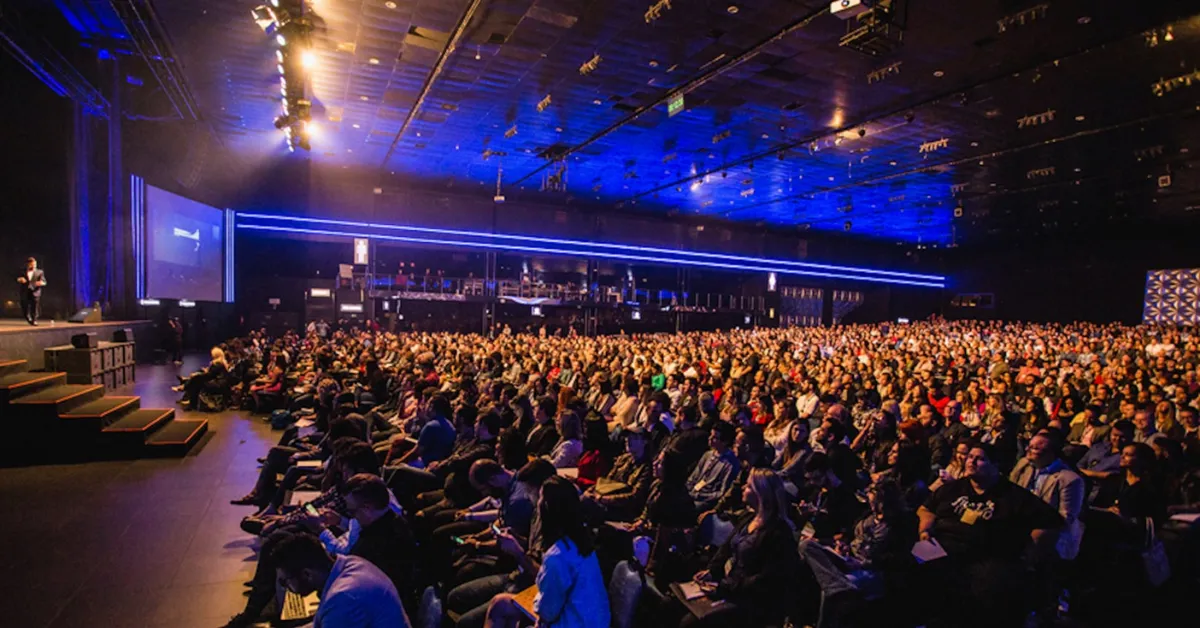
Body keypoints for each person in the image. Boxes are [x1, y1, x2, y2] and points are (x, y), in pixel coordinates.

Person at [917, 442, 1063, 628]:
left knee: (986, 590)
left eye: (980, 459)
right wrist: (924, 530)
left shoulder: (1012, 496)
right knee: (908, 561)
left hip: (986, 556)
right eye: (970, 457)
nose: (971, 462)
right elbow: (925, 509)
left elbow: (1050, 522)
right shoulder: (953, 489)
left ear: (995, 465)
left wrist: (1030, 552)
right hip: (942, 545)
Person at [485, 476, 610, 628]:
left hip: (572, 622)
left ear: (547, 509)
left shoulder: (557, 555)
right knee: (500, 603)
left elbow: (547, 612)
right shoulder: (582, 540)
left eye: (539, 498)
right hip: (592, 619)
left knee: (499, 608)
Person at [684, 469, 800, 627]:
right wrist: (711, 572)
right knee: (674, 604)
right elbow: (725, 549)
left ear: (761, 494)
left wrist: (725, 588)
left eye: (749, 486)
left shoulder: (779, 533)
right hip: (730, 587)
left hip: (751, 601)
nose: (744, 487)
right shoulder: (748, 517)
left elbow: (765, 580)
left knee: (691, 623)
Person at [270, 531, 411, 628]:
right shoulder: (351, 562)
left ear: (307, 574)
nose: (286, 587)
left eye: (285, 581)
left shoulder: (342, 598)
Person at [1009, 432, 1085, 560]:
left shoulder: (1069, 479)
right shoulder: (1024, 465)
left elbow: (1065, 518)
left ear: (1050, 453)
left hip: (1049, 531)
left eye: (1035, 448)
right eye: (1029, 445)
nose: (1028, 449)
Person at [686, 422, 741, 511]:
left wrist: (700, 495)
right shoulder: (707, 455)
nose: (710, 438)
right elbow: (693, 477)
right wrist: (688, 490)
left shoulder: (730, 463)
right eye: (711, 435)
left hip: (707, 501)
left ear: (725, 442)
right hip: (694, 494)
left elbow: (721, 493)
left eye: (715, 438)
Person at [16, 256, 45, 325]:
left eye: (35, 264)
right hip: (25, 291)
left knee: (34, 306)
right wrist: (19, 279)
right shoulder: (22, 271)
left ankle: (34, 319)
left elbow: (44, 281)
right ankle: (27, 317)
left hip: (35, 291)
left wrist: (41, 283)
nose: (34, 266)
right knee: (24, 306)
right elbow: (16, 278)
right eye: (32, 264)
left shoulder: (39, 272)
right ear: (28, 264)